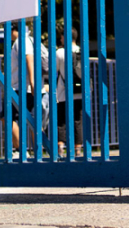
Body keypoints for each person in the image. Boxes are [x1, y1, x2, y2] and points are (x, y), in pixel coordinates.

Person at [10, 25, 50, 152]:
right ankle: (37, 154)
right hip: (26, 88)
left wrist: (33, 83)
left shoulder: (22, 40)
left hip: (24, 89)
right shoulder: (29, 39)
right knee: (35, 123)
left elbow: (29, 59)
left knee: (7, 118)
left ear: (13, 30)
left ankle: (23, 151)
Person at [56, 27, 83, 157]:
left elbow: (53, 69)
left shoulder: (60, 52)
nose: (60, 39)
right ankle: (78, 149)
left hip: (64, 92)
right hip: (80, 91)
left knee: (62, 120)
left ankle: (60, 147)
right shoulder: (82, 51)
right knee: (78, 120)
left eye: (61, 37)